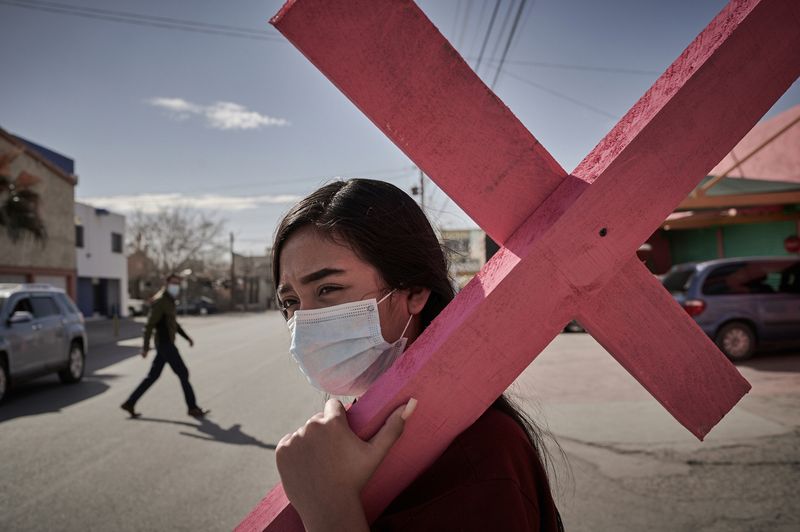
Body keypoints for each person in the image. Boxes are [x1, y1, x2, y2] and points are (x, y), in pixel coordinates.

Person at [272, 179, 563, 531]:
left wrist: (328, 507)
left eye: (328, 289)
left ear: (413, 291)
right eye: (290, 302)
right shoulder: (355, 433)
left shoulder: (482, 454)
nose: (305, 320)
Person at [121, 273, 208, 419]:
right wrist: (145, 347)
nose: (176, 286)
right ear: (167, 284)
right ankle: (192, 408)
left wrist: (187, 338)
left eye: (178, 284)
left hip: (166, 344)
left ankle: (130, 402)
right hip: (165, 344)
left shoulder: (170, 300)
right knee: (183, 373)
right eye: (174, 283)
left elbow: (174, 323)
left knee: (152, 376)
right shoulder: (160, 301)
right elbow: (149, 325)